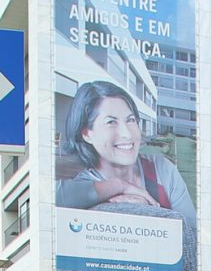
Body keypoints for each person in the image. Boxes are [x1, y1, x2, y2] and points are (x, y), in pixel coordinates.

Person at [55, 81, 197, 234]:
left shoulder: (162, 169)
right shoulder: (81, 187)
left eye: (130, 120)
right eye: (111, 122)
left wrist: (149, 213)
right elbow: (46, 197)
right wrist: (119, 186)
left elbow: (192, 234)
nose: (127, 134)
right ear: (87, 134)